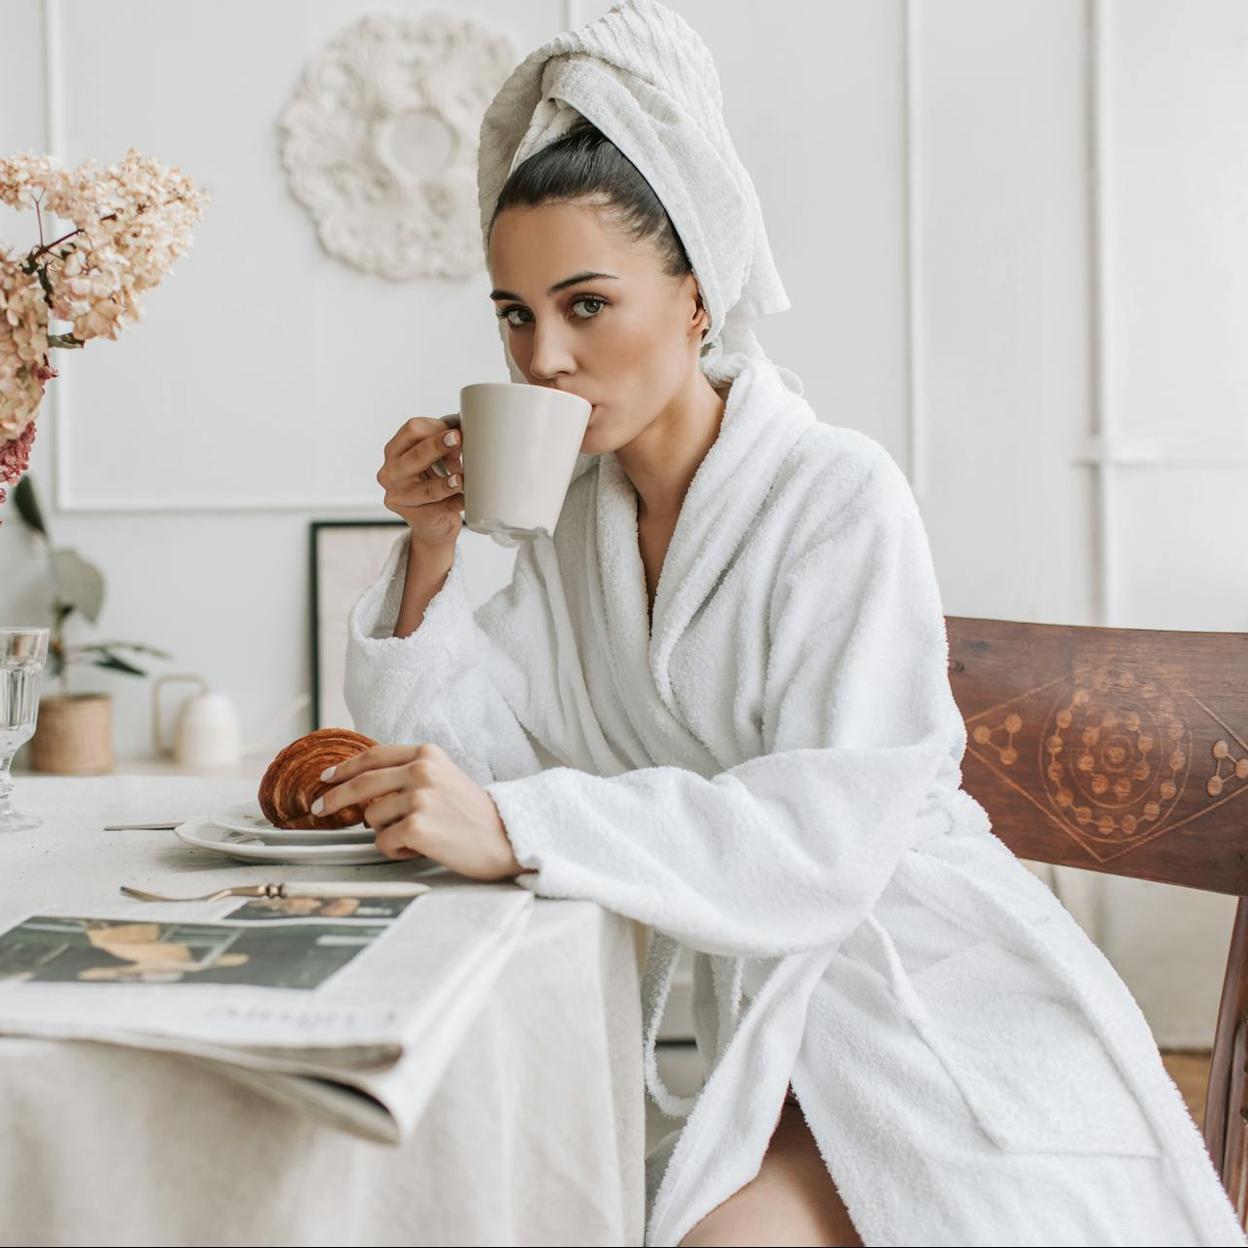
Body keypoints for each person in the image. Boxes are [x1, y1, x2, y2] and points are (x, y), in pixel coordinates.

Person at [335, 2, 1247, 1244]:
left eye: (586, 304)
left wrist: (518, 824)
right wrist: (434, 552)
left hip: (933, 1009)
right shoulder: (574, 523)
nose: (542, 356)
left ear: (698, 297)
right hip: (759, 1028)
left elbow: (820, 838)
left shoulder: (837, 494)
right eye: (514, 313)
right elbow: (494, 762)